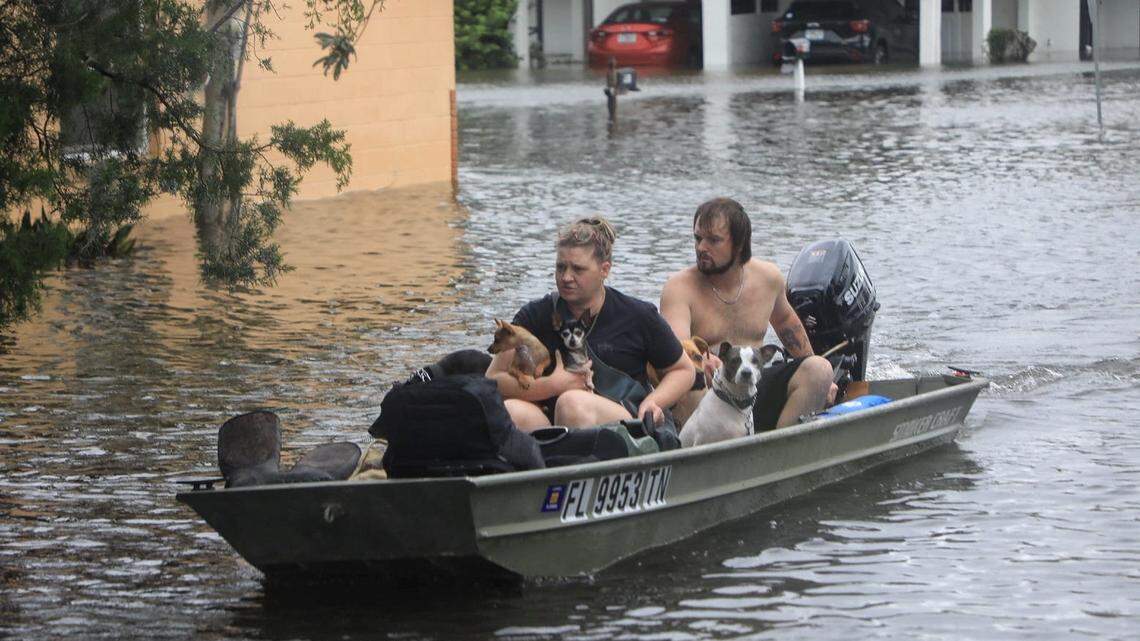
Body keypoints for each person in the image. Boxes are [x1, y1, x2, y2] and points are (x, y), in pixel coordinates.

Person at [487, 217, 695, 432]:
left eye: (578, 269)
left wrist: (653, 402)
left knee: (572, 404)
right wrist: (550, 386)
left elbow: (683, 370)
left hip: (621, 418)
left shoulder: (639, 315)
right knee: (511, 411)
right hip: (550, 418)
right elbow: (493, 378)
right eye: (561, 267)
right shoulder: (533, 315)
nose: (566, 277)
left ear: (605, 270)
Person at [660, 198, 835, 431]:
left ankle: (780, 452)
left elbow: (786, 324)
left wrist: (826, 383)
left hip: (754, 388)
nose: (702, 247)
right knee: (690, 382)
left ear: (739, 244)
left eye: (713, 240)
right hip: (710, 399)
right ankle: (707, 460)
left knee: (819, 369)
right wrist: (702, 359)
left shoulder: (768, 277)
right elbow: (677, 346)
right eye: (698, 238)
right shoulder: (679, 287)